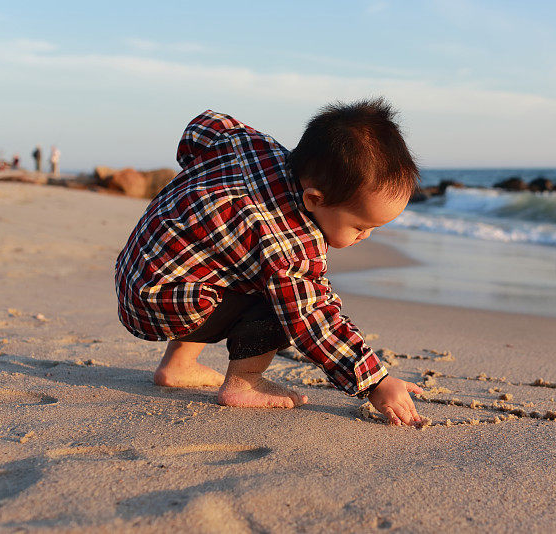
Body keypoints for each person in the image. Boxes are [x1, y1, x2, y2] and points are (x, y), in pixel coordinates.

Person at [115, 98, 424, 426]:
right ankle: (244, 382)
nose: (366, 236)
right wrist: (375, 382)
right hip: (158, 305)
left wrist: (201, 184)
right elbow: (313, 320)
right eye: (360, 226)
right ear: (313, 199)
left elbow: (204, 127)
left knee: (221, 261)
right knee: (284, 300)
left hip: (137, 271)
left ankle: (177, 365)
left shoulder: (252, 145)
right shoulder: (289, 246)